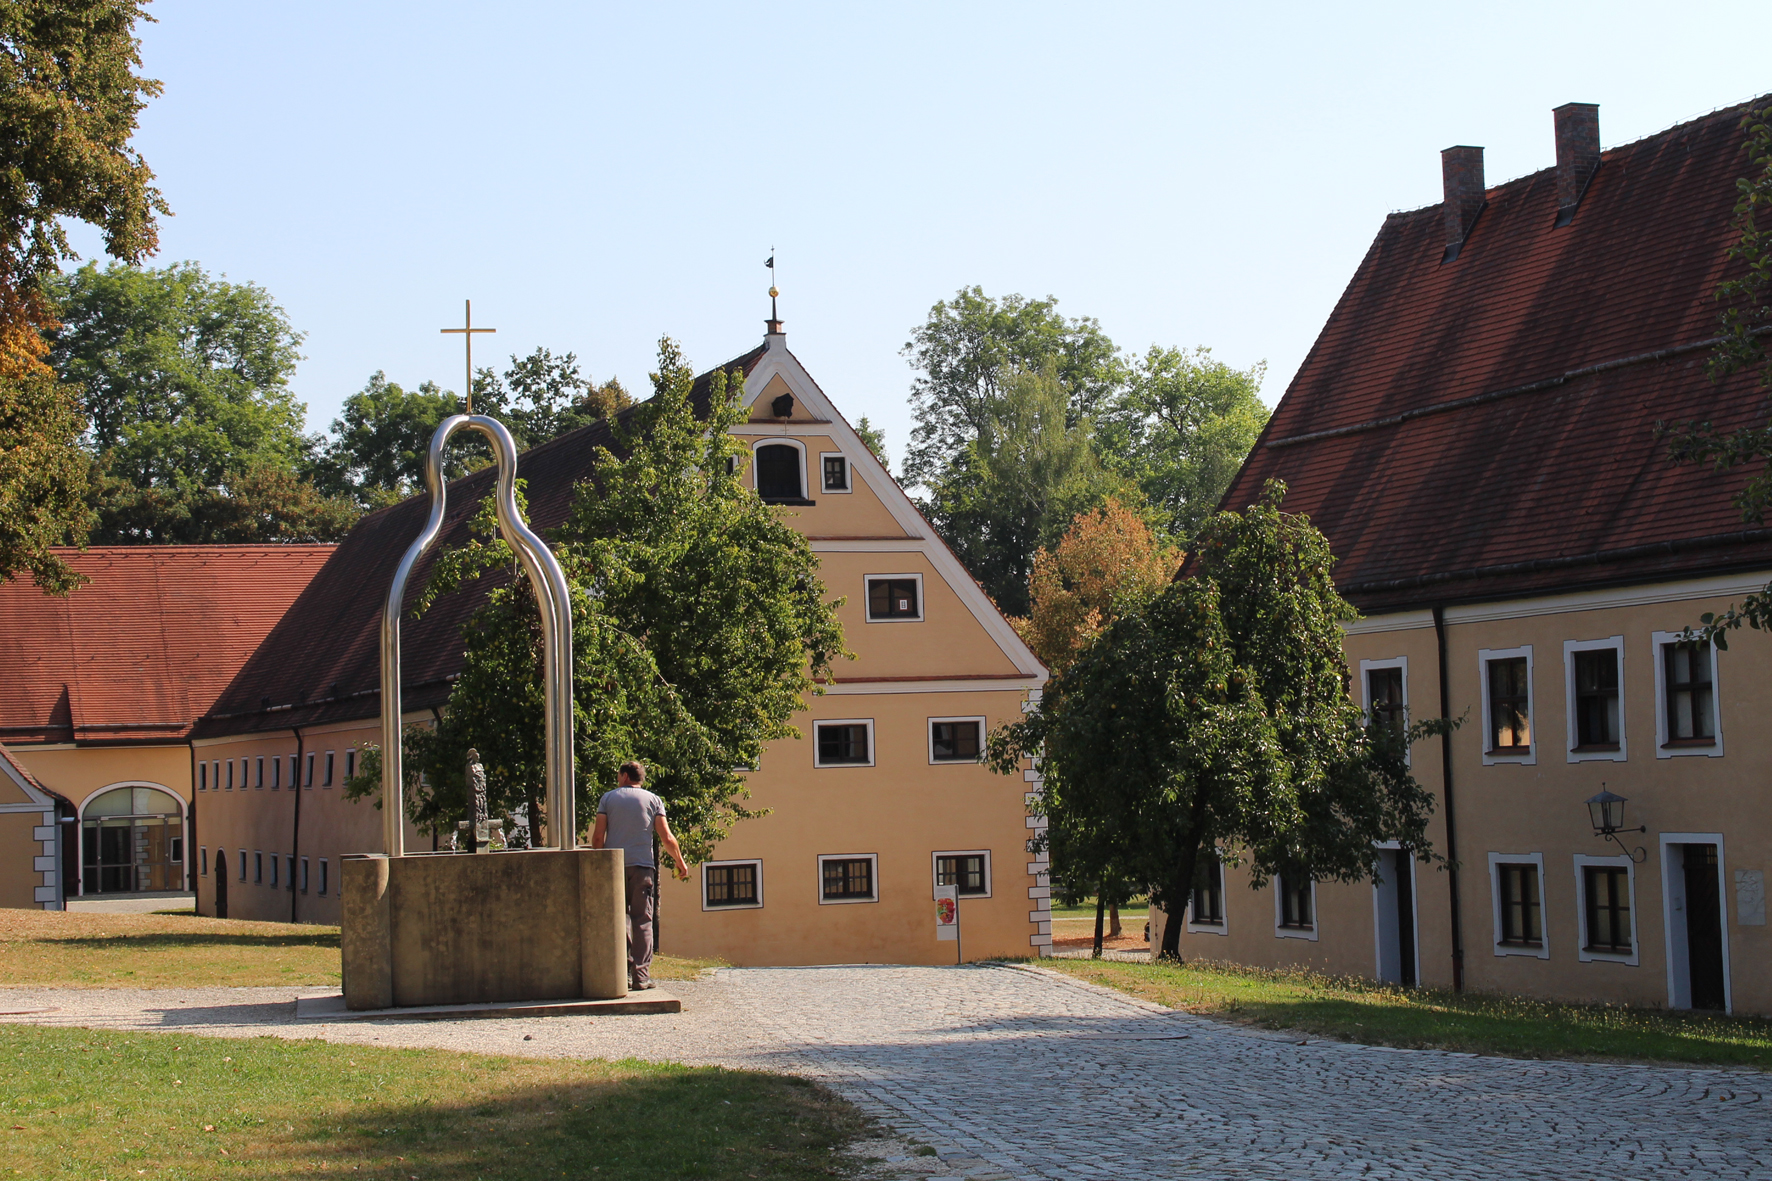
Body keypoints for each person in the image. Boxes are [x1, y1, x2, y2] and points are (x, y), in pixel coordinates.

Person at [591, 760, 688, 990]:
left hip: (614, 866)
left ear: (625, 776)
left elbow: (598, 837)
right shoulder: (654, 800)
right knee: (643, 920)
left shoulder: (608, 798)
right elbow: (666, 837)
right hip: (643, 867)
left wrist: (599, 863)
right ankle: (641, 977)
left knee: (618, 919)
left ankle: (620, 973)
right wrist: (679, 861)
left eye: (618, 775)